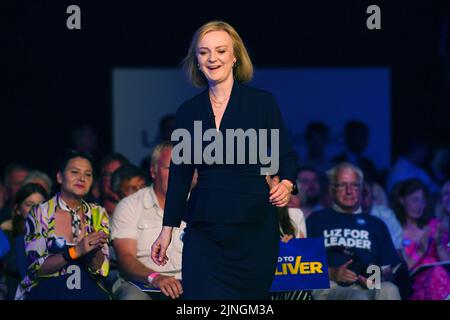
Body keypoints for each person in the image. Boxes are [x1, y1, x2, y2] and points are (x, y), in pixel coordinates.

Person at [151, 21, 299, 300]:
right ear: (196, 59)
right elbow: (181, 175)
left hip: (253, 230)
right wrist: (166, 230)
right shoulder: (188, 111)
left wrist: (287, 183)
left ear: (235, 57)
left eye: (220, 50)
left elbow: (286, 155)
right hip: (205, 230)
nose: (212, 58)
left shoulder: (262, 103)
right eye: (204, 52)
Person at [15, 150, 110, 300]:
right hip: (48, 290)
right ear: (59, 177)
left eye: (88, 174)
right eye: (74, 172)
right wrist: (75, 252)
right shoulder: (41, 213)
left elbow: (101, 270)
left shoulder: (97, 213)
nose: (82, 178)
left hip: (87, 289)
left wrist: (95, 250)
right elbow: (35, 268)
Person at [306, 162, 401, 300]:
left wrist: (375, 278)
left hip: (368, 286)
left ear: (361, 189)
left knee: (390, 289)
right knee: (357, 297)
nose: (349, 191)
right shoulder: (316, 220)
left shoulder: (376, 224)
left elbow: (388, 271)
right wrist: (332, 273)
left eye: (354, 185)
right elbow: (303, 266)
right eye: (342, 185)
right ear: (332, 189)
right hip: (330, 286)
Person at [111, 142, 186, 300]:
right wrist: (156, 278)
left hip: (188, 283)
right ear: (153, 171)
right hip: (142, 283)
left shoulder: (199, 204)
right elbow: (125, 258)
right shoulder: (130, 205)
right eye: (170, 167)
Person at [392, 178, 450, 300]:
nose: (419, 206)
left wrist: (439, 245)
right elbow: (399, 272)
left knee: (438, 273)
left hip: (440, 280)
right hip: (411, 285)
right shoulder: (396, 231)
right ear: (402, 200)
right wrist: (420, 251)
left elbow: (448, 263)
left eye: (423, 201)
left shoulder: (434, 226)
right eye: (415, 200)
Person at [1, 183, 48, 299]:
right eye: (29, 204)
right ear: (17, 209)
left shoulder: (53, 238)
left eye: (41, 204)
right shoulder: (6, 236)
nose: (36, 209)